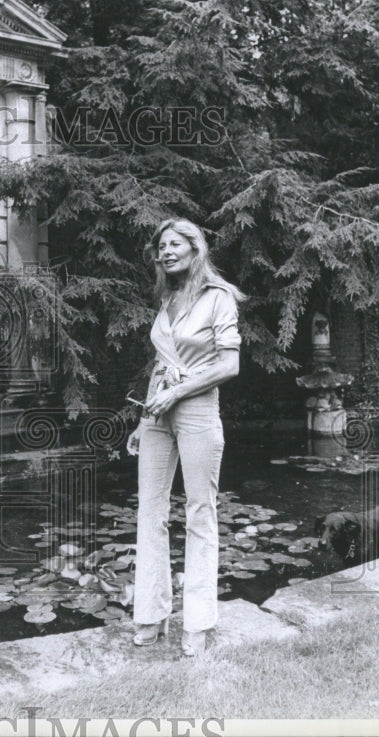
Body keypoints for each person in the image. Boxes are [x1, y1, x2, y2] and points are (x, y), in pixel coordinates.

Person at [126, 218, 245, 657]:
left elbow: (228, 366)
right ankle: (151, 616)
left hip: (196, 409)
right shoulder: (168, 299)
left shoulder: (219, 299)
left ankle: (198, 623)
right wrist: (144, 418)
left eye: (175, 244)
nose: (166, 252)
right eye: (161, 246)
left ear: (196, 249)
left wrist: (177, 391)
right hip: (158, 413)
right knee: (150, 512)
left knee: (200, 512)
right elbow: (163, 364)